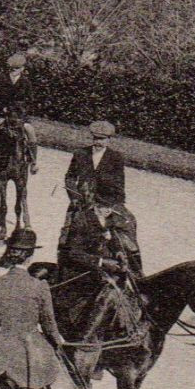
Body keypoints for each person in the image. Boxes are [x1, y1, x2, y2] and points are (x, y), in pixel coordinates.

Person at [0, 227, 90, 389]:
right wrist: (58, 342)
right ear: (30, 256)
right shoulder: (39, 286)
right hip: (31, 347)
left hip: (0, 346)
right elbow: (48, 323)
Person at [63, 119, 140, 278]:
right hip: (82, 201)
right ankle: (63, 265)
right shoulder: (80, 154)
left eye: (102, 139)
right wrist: (75, 198)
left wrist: (111, 206)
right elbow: (70, 178)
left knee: (128, 224)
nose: (99, 142)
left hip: (107, 202)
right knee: (68, 232)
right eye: (96, 138)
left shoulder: (116, 158)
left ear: (109, 140)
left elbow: (119, 184)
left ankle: (136, 269)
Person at [0, 51, 38, 176]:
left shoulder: (26, 83)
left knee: (31, 132)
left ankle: (33, 163)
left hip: (19, 117)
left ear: (22, 69)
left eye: (17, 68)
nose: (13, 71)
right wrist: (2, 108)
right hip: (0, 115)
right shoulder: (0, 79)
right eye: (11, 68)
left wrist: (20, 110)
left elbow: (30, 101)